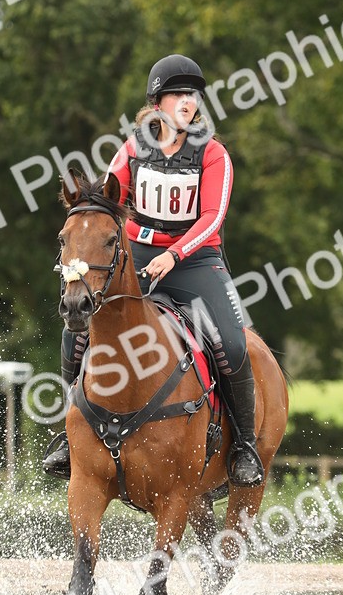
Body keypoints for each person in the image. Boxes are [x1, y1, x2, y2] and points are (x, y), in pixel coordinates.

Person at [44, 53, 264, 487]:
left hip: (196, 261)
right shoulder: (132, 150)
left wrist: (175, 255)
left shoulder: (213, 154)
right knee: (77, 331)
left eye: (193, 95)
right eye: (178, 94)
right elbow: (106, 203)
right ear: (157, 103)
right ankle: (70, 434)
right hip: (138, 258)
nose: (187, 101)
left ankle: (243, 445)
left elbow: (212, 218)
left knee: (233, 344)